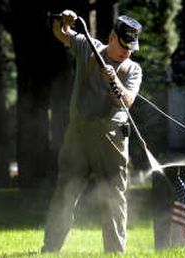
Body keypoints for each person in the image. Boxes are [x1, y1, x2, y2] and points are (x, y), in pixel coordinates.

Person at [42, 9, 142, 253]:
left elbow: (127, 100)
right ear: (111, 37)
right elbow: (61, 33)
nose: (128, 51)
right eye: (124, 45)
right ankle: (50, 249)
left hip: (112, 139)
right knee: (65, 193)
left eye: (132, 46)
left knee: (114, 200)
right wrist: (65, 21)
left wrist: (113, 80)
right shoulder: (88, 46)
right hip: (78, 135)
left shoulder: (133, 70)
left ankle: (115, 252)